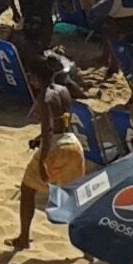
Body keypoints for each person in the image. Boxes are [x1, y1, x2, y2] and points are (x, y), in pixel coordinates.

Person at [15, 66, 85, 250]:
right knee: (76, 198)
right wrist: (38, 139)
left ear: (38, 78)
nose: (30, 80)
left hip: (55, 147)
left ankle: (23, 238)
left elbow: (48, 131)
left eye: (31, 76)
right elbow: (61, 122)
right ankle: (87, 249)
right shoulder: (63, 91)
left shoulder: (44, 98)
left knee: (27, 190)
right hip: (73, 143)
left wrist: (42, 164)